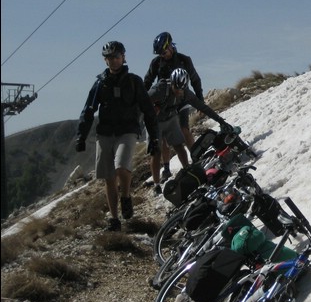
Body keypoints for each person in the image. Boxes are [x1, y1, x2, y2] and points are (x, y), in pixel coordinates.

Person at [76, 41, 160, 232]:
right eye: (109, 58)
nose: (113, 61)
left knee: (121, 167)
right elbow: (88, 110)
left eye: (116, 57)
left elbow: (148, 110)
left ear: (123, 57)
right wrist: (81, 136)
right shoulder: (100, 83)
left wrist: (153, 138)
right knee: (108, 178)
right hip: (105, 133)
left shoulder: (134, 81)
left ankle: (126, 196)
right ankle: (114, 220)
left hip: (127, 131)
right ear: (105, 60)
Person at [147, 67, 234, 197]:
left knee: (179, 146)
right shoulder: (159, 90)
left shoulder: (185, 93)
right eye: (176, 87)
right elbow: (142, 102)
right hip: (154, 121)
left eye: (181, 88)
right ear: (172, 82)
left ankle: (188, 170)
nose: (178, 91)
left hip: (171, 119)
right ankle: (157, 185)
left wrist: (221, 121)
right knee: (156, 151)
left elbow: (202, 107)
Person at [144, 31, 204, 182]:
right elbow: (147, 81)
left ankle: (197, 159)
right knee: (163, 139)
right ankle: (166, 168)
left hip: (181, 101)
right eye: (159, 54)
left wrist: (200, 100)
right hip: (164, 102)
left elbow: (195, 79)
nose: (162, 56)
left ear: (170, 46)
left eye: (164, 52)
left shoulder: (184, 60)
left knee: (184, 130)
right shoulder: (156, 63)